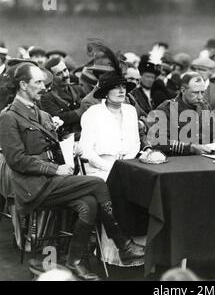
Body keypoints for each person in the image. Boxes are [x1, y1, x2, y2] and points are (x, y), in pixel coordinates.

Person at [0, 63, 144, 280]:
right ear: (22, 85)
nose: (44, 86)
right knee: (97, 184)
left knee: (90, 204)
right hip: (32, 187)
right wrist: (55, 168)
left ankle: (73, 262)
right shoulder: (9, 117)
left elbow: (50, 148)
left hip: (50, 181)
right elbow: (16, 160)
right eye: (38, 82)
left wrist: (67, 147)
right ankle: (122, 243)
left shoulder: (40, 113)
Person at [79, 71, 140, 181]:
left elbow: (136, 143)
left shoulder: (131, 111)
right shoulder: (93, 113)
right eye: (116, 87)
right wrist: (111, 167)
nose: (121, 91)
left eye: (123, 87)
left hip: (127, 166)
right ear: (106, 92)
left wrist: (125, 164)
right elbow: (86, 150)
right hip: (100, 171)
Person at [147, 72, 215, 156]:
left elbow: (214, 133)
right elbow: (157, 141)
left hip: (204, 159)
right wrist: (190, 148)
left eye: (202, 92)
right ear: (183, 90)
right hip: (177, 161)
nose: (200, 97)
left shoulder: (205, 107)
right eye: (195, 93)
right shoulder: (167, 109)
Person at [40, 57, 86, 140]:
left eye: (65, 70)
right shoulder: (47, 97)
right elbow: (58, 118)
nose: (65, 75)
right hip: (66, 140)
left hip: (85, 134)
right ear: (51, 78)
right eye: (59, 74)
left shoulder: (78, 89)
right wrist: (81, 111)